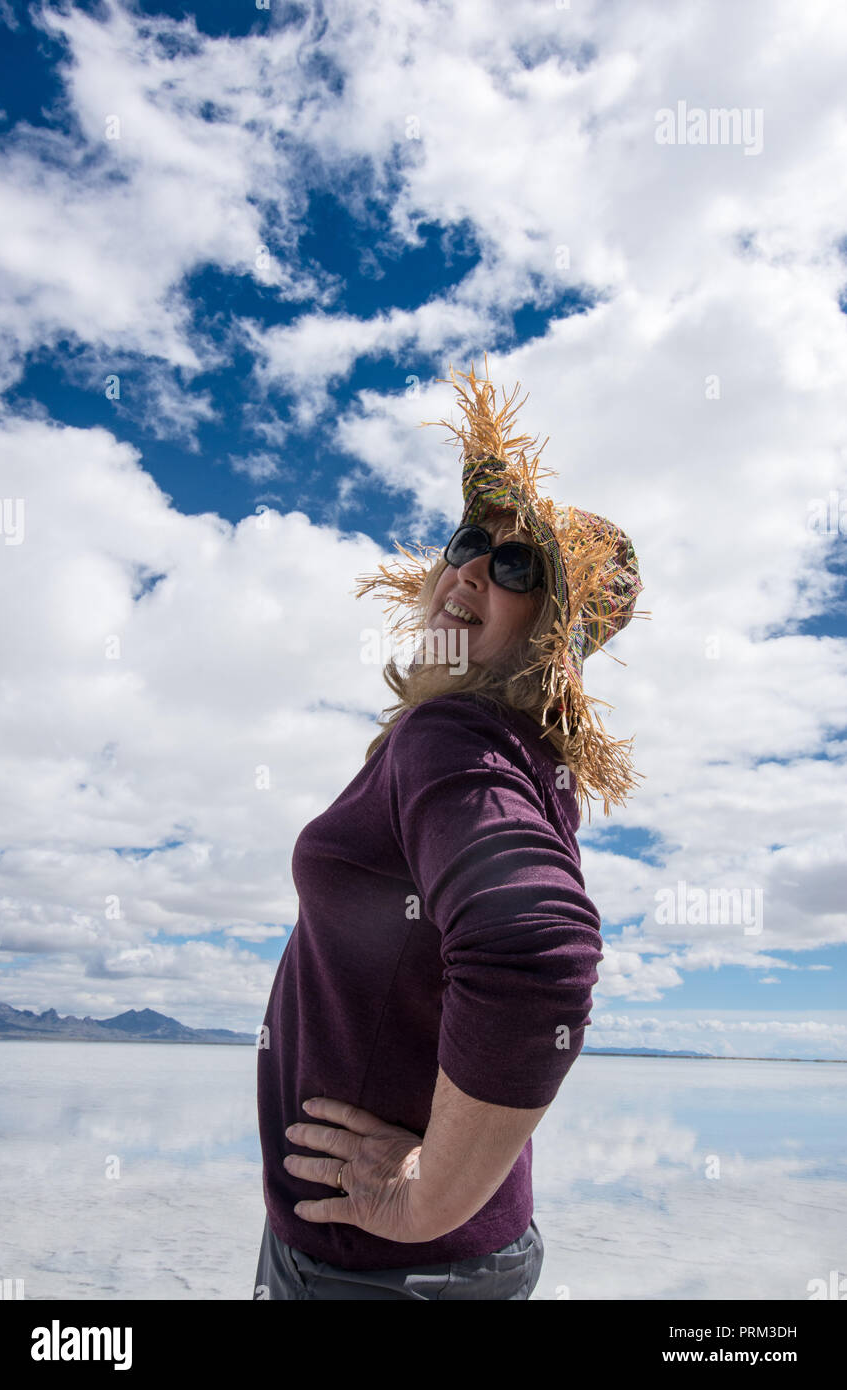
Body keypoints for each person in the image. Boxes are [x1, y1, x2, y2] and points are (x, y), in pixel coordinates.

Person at [253, 357, 647, 1300]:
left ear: (551, 634)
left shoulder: (450, 738)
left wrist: (425, 1199)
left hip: (383, 1270)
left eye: (516, 566)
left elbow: (538, 953)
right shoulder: (516, 757)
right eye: (471, 540)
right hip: (448, 1258)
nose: (470, 565)